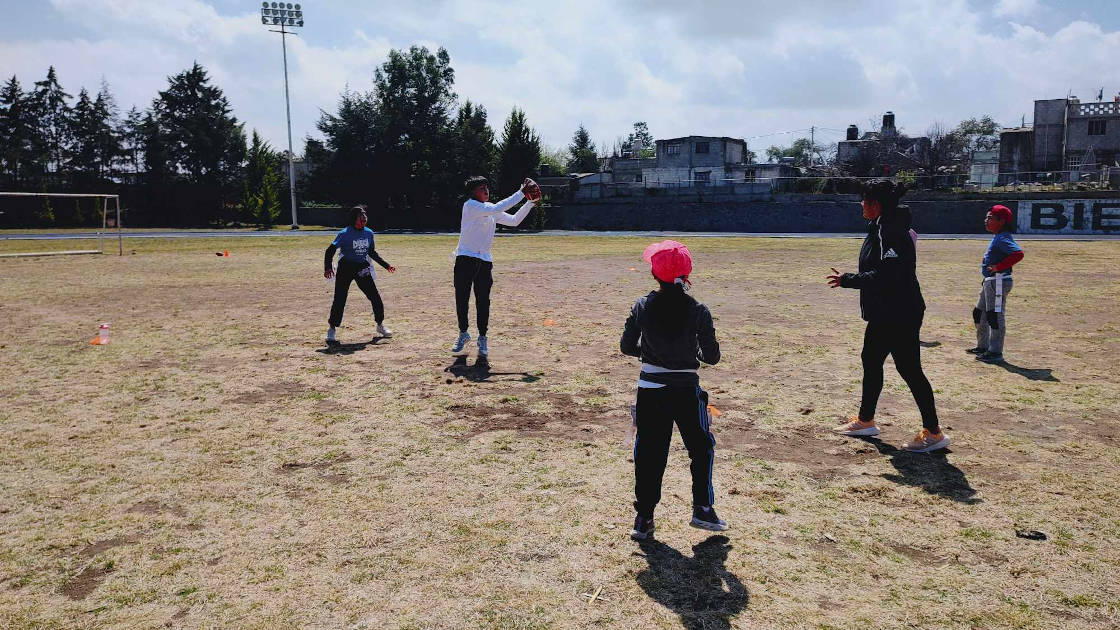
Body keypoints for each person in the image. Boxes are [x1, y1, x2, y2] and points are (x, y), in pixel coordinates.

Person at [827, 180, 948, 453]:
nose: (861, 205)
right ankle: (865, 420)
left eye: (864, 201)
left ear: (875, 204)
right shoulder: (881, 225)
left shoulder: (891, 230)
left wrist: (848, 280)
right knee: (871, 360)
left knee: (909, 369)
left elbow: (888, 275)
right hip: (886, 311)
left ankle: (934, 432)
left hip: (900, 311)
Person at [621, 240, 724, 540]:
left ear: (655, 274)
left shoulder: (642, 306)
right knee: (702, 446)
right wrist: (694, 354)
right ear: (687, 274)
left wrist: (647, 352)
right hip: (686, 390)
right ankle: (703, 507)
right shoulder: (698, 310)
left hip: (651, 389)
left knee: (650, 452)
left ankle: (644, 516)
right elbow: (713, 356)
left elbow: (627, 347)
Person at [451, 176, 537, 357]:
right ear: (472, 193)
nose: (486, 190)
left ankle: (482, 337)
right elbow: (498, 207)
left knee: (483, 301)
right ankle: (463, 333)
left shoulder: (490, 210)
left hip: (484, 261)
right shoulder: (471, 206)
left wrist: (529, 203)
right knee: (462, 299)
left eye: (487, 187)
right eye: (481, 188)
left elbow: (514, 221)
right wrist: (521, 192)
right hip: (465, 258)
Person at [323, 206, 396, 344]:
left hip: (361, 267)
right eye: (360, 215)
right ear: (354, 218)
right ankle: (332, 329)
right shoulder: (345, 233)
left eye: (365, 214)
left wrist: (386, 265)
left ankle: (380, 325)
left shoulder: (369, 233)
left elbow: (372, 252)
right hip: (345, 267)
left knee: (375, 297)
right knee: (340, 299)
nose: (364, 217)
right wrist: (327, 267)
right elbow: (329, 250)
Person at [968, 204, 1024, 363]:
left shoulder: (1003, 238)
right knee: (979, 313)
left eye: (990, 218)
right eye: (986, 217)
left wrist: (999, 267)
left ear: (1002, 221)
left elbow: (1018, 254)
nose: (986, 221)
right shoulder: (998, 237)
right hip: (991, 281)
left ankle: (995, 352)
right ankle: (983, 346)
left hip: (999, 281)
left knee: (995, 316)